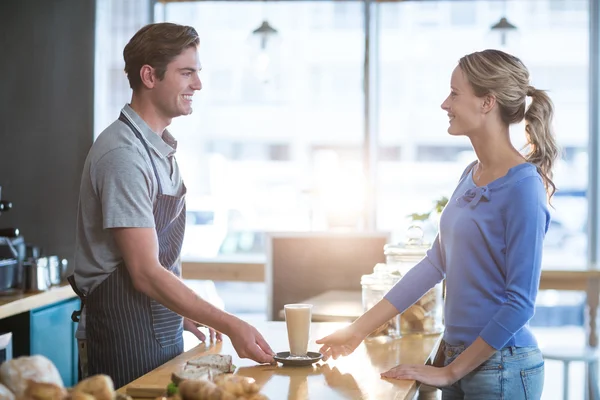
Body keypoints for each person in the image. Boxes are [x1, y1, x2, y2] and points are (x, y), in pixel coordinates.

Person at [317, 49, 557, 400]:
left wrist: (451, 372)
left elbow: (520, 302)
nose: (445, 104)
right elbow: (435, 264)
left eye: (455, 93)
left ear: (487, 102)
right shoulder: (470, 175)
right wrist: (357, 330)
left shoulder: (524, 187)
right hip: (456, 357)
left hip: (501, 366)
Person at [69, 22, 275, 388]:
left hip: (156, 327)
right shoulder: (123, 155)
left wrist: (179, 311)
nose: (198, 84)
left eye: (197, 72)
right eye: (187, 72)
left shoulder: (159, 150)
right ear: (149, 75)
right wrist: (231, 324)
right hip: (121, 337)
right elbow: (146, 272)